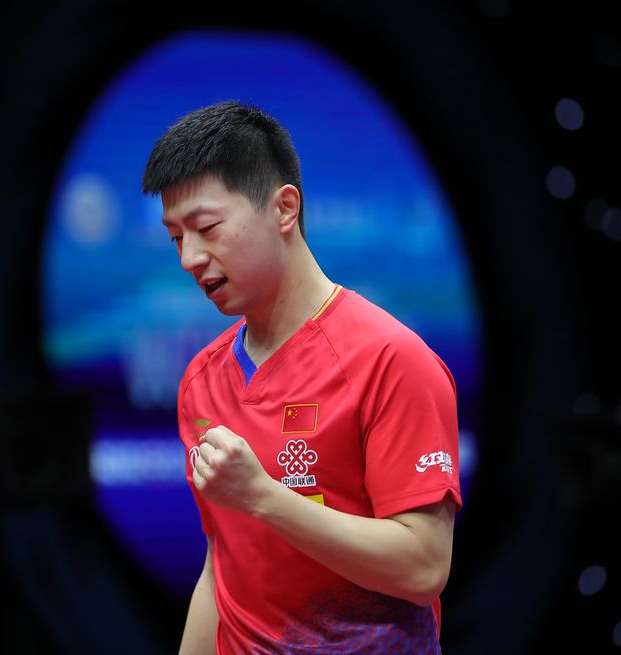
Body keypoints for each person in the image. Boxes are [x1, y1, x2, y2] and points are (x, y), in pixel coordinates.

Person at [142, 101, 462, 655]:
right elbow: (223, 567)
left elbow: (423, 567)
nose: (189, 258)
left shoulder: (392, 360)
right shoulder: (201, 381)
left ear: (284, 209)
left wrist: (263, 496)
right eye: (176, 237)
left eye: (206, 228)